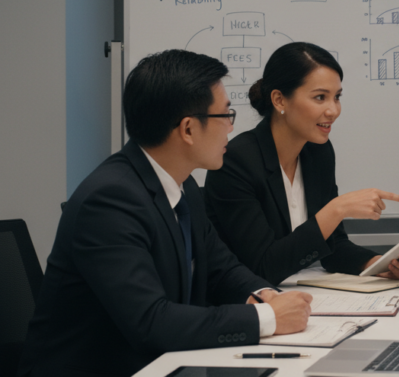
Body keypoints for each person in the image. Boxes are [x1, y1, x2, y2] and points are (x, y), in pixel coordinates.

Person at [19, 50, 313, 377]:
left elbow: (221, 269)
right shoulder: (109, 201)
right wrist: (268, 319)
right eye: (224, 115)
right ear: (188, 129)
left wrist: (265, 295)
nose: (230, 128)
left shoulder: (181, 184)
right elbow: (151, 322)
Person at [204, 42, 399, 286]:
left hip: (304, 298)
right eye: (320, 97)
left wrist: (378, 265)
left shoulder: (318, 152)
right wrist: (337, 209)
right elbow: (263, 267)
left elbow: (333, 246)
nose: (333, 111)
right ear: (279, 100)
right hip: (248, 305)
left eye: (337, 97)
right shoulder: (237, 161)